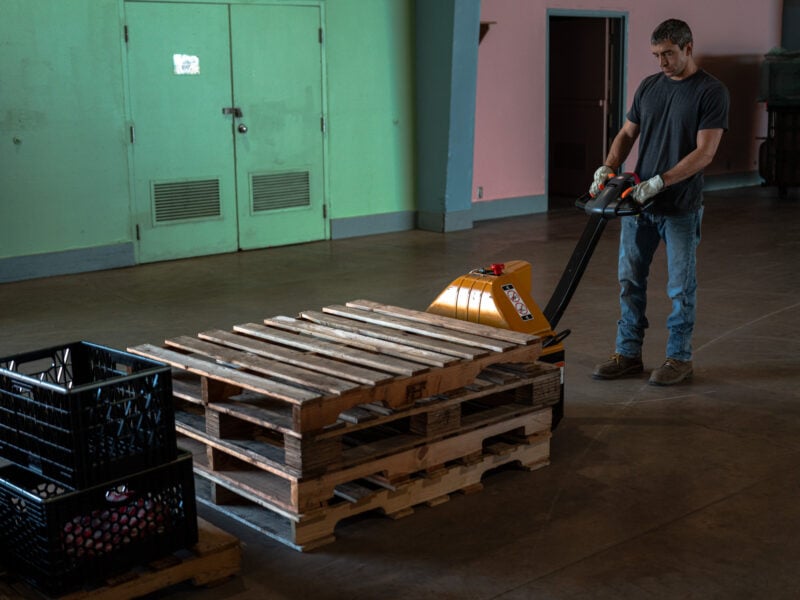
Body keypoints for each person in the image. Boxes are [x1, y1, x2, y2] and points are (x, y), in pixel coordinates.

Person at [590, 18, 729, 386]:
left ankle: (679, 358)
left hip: (680, 207)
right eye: (656, 55)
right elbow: (626, 132)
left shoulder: (711, 92)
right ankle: (628, 353)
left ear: (688, 48)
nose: (662, 62)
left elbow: (705, 153)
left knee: (681, 288)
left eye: (668, 54)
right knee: (629, 282)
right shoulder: (649, 86)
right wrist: (608, 166)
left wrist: (660, 182)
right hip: (638, 206)